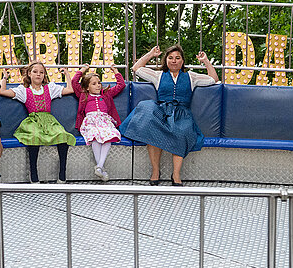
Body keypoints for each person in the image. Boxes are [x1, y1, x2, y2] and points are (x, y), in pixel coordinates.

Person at [119, 45, 220, 186]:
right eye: (170, 58)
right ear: (165, 60)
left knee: (182, 132)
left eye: (177, 58)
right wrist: (150, 54)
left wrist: (206, 61)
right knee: (151, 128)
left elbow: (213, 79)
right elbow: (136, 68)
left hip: (181, 114)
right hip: (161, 111)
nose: (174, 61)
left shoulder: (191, 77)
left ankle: (176, 174)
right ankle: (155, 171)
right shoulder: (158, 75)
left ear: (182, 61)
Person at [0, 61, 76, 183]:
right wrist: (4, 77)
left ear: (44, 75)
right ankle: (33, 174)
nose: (38, 75)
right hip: (33, 120)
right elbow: (2, 92)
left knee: (63, 136)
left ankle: (62, 174)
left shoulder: (50, 88)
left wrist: (67, 74)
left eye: (41, 72)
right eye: (35, 72)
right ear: (29, 74)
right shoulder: (24, 91)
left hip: (48, 120)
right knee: (34, 137)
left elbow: (70, 90)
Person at [62, 64, 126, 182]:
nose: (98, 85)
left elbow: (121, 85)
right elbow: (75, 81)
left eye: (99, 83)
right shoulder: (83, 95)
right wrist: (83, 70)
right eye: (94, 83)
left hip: (104, 121)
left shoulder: (106, 94)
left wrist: (115, 71)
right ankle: (101, 168)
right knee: (95, 137)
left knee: (110, 136)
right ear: (86, 87)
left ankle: (100, 166)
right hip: (90, 122)